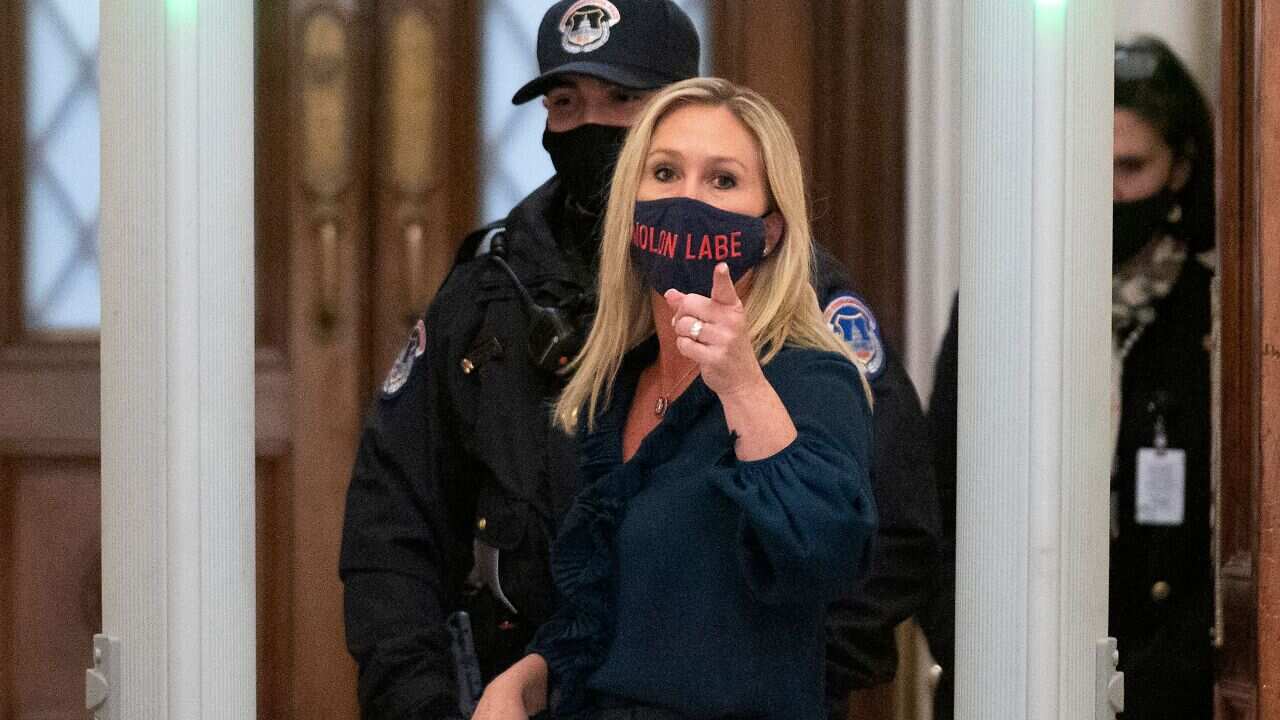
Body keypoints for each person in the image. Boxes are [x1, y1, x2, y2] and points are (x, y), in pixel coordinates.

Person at [340, 2, 938, 718]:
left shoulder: (802, 338)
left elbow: (878, 536)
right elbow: (393, 520)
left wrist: (764, 668)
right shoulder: (499, 297)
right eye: (567, 102)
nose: (594, 125)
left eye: (622, 100)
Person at [474, 76, 878, 720]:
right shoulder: (617, 385)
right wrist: (527, 677)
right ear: (631, 210)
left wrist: (742, 385)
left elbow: (826, 558)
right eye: (664, 172)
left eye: (722, 181)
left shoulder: (809, 378)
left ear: (769, 231)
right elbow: (610, 610)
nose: (688, 199)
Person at [920, 36, 1216, 720]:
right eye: (1089, 161)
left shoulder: (1214, 314)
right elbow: (938, 490)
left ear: (1179, 169)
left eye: (1131, 167)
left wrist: (1150, 689)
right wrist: (975, 649)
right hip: (1007, 674)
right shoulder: (1004, 296)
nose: (1108, 191)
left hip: (1165, 682)